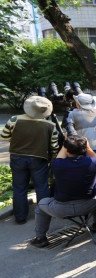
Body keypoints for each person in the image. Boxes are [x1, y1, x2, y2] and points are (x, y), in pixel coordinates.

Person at [30, 136, 96, 247]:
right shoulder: (91, 162)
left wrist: (66, 144)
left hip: (61, 208)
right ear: (84, 148)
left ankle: (40, 238)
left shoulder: (58, 164)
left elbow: (60, 156)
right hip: (88, 204)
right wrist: (88, 147)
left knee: (41, 205)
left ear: (66, 149)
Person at [1, 96, 59, 224]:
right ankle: (44, 215)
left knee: (19, 187)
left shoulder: (14, 119)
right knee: (42, 186)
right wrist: (53, 156)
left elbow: (4, 137)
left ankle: (20, 217)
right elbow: (54, 147)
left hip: (17, 157)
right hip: (39, 158)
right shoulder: (50, 125)